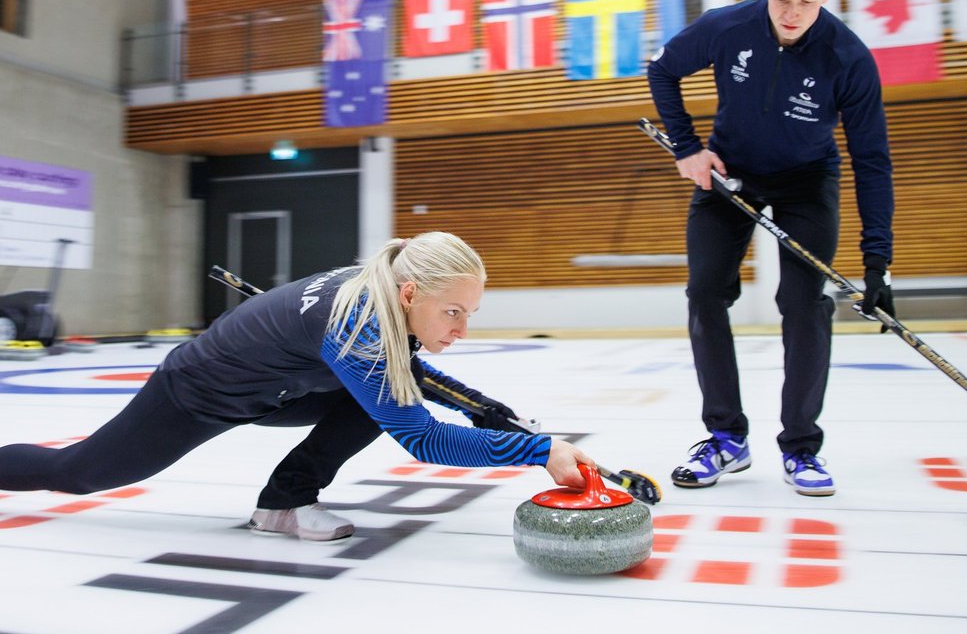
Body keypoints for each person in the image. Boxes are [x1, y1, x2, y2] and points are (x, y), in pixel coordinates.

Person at [0, 232, 593, 540]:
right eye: (454, 313)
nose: (462, 329)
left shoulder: (384, 290)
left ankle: (283, 504)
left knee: (378, 403)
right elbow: (424, 442)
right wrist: (537, 450)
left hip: (275, 388)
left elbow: (403, 373)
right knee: (82, 473)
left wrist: (483, 408)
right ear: (412, 294)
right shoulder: (358, 321)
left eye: (471, 314)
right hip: (197, 393)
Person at [646, 0, 895, 497]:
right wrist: (687, 148)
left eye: (808, 0)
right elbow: (662, 70)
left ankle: (802, 447)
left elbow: (873, 162)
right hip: (729, 173)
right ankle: (726, 439)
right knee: (706, 292)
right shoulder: (727, 25)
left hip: (807, 182)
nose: (793, 13)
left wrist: (878, 261)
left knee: (804, 301)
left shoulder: (848, 59)